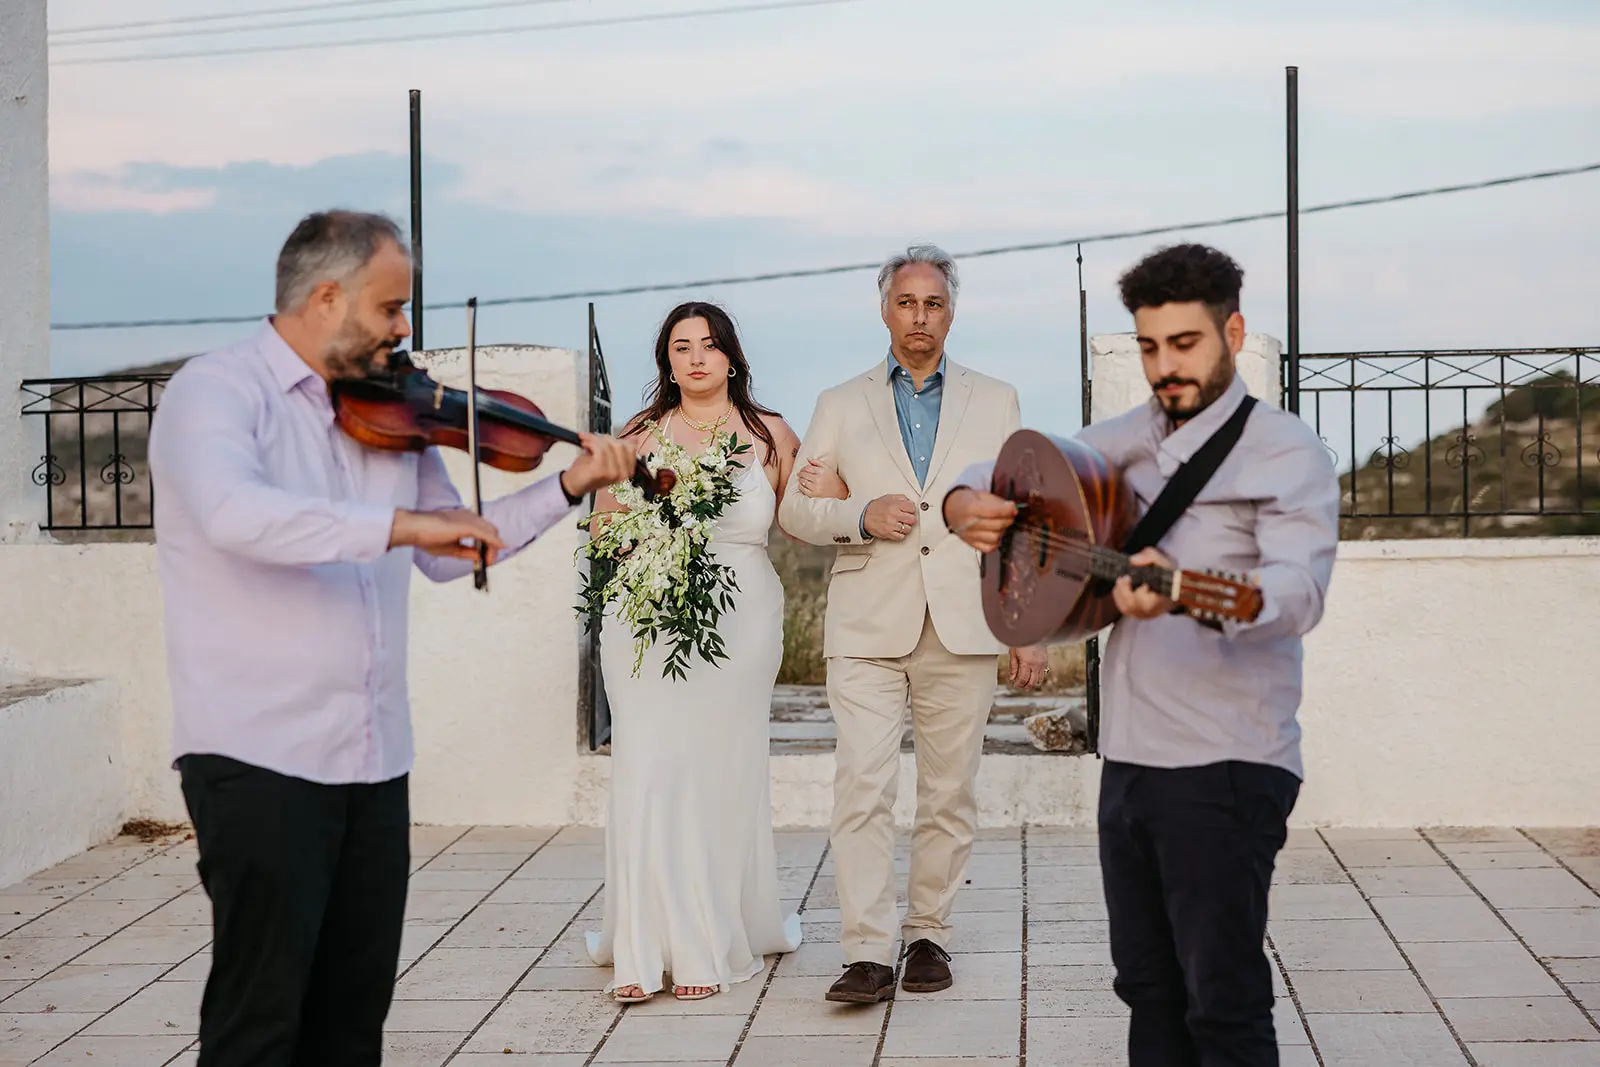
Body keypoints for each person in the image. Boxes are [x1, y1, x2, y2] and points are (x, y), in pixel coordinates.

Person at [147, 209, 637, 1066]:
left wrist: (567, 485)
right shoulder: (216, 392)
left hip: (373, 760)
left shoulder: (391, 410)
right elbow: (235, 513)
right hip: (257, 755)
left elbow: (452, 547)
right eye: (391, 306)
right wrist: (397, 525)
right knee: (260, 1020)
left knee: (352, 1020)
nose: (405, 328)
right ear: (325, 297)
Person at [944, 243, 1340, 1066]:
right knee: (1148, 989)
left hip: (1228, 763)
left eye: (1185, 344)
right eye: (1151, 346)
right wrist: (960, 502)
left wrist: (1186, 590)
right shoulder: (1137, 432)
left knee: (1222, 1002)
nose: (1166, 367)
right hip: (1130, 760)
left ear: (1233, 333)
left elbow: (1298, 590)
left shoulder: (1286, 451)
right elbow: (1018, 464)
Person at [779, 245, 1048, 1004]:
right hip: (867, 622)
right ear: (885, 310)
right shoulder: (839, 402)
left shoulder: (997, 400)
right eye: (906, 302)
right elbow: (797, 509)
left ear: (951, 313)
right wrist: (858, 513)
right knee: (862, 786)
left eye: (932, 303)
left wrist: (1025, 622)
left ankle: (929, 933)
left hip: (964, 622)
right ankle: (867, 951)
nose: (919, 316)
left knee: (947, 791)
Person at [583, 301, 805, 1003]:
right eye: (682, 347)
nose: (697, 357)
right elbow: (603, 533)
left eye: (710, 344)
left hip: (741, 620)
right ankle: (643, 946)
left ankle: (709, 935)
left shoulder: (770, 433)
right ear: (667, 362)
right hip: (646, 619)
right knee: (649, 765)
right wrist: (659, 533)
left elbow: (802, 522)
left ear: (732, 357)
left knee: (720, 767)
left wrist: (837, 491)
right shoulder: (638, 435)